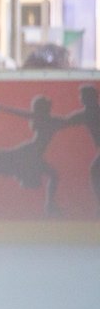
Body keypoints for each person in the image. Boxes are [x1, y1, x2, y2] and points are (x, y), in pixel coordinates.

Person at [63, 84, 100, 215]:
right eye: (81, 96)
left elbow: (63, 122)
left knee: (95, 170)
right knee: (95, 171)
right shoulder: (86, 113)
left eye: (83, 96)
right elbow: (65, 121)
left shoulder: (89, 113)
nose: (81, 98)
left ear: (91, 97)